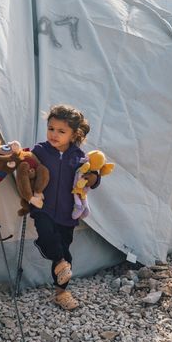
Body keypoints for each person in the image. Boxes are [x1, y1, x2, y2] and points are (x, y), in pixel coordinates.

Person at [30, 104, 100, 310]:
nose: (54, 134)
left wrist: (93, 178)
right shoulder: (40, 150)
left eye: (61, 131)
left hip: (68, 213)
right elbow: (27, 168)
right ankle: (58, 259)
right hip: (42, 207)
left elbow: (91, 180)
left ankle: (62, 291)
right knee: (47, 236)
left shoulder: (78, 156)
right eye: (51, 128)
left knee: (65, 253)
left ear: (74, 134)